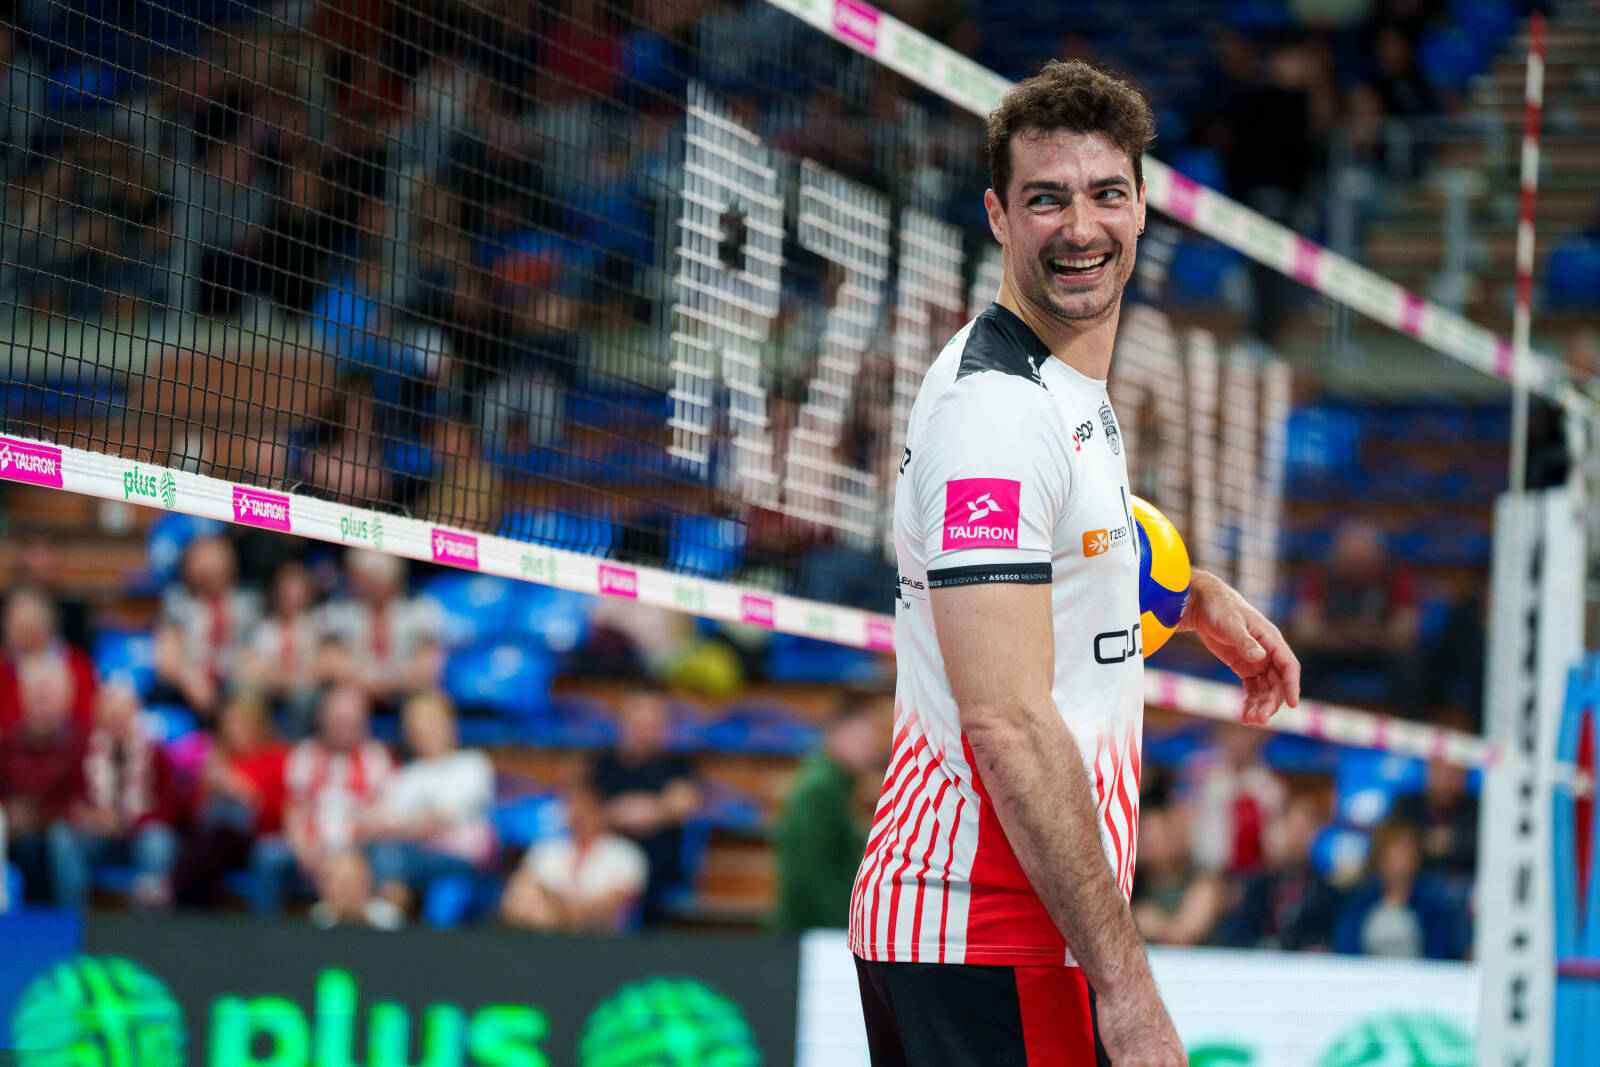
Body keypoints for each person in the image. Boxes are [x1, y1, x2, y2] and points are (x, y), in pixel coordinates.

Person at [850, 60, 1300, 1067]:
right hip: (982, 931)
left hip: (1011, 936)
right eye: (1046, 198)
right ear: (998, 216)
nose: (1081, 226)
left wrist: (1190, 596)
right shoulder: (997, 413)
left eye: (1105, 193)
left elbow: (1068, 542)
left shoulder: (1061, 383)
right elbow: (1006, 723)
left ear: (1141, 206)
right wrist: (1129, 991)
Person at [249, 684, 393, 915]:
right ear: (323, 721)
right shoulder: (305, 754)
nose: (344, 730)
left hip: (358, 846)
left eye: (351, 723)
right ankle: (265, 926)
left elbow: (377, 814)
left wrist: (348, 852)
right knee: (268, 855)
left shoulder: (375, 758)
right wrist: (303, 850)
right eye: (338, 722)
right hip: (311, 846)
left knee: (389, 859)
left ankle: (381, 921)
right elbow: (295, 810)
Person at [49, 685, 181, 909]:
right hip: (95, 837)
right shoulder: (81, 751)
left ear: (134, 715)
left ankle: (147, 920)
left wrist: (128, 821)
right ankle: (73, 916)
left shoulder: (156, 754)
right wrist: (90, 818)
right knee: (62, 837)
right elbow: (67, 799)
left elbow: (169, 808)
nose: (116, 722)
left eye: (122, 715)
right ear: (99, 719)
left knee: (159, 842)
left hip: (140, 836)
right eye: (110, 717)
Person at [364, 691, 496, 912]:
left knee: (390, 857)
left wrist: (402, 826)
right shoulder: (405, 777)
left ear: (450, 725)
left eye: (430, 723)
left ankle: (384, 915)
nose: (423, 731)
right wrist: (408, 825)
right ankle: (384, 916)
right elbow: (377, 825)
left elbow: (437, 820)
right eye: (416, 728)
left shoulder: (471, 765)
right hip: (410, 858)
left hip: (461, 860)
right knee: (378, 855)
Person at [772, 689, 890, 933]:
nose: (872, 745)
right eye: (863, 735)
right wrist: (843, 927)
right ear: (837, 733)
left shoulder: (837, 786)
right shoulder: (820, 790)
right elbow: (808, 874)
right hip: (811, 931)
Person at [591, 683, 699, 920]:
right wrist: (617, 813)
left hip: (657, 872)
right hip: (603, 866)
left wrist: (652, 811)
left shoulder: (677, 767)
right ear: (621, 722)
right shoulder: (600, 767)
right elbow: (582, 808)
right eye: (637, 720)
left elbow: (683, 803)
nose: (643, 729)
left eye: (652, 722)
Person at [173, 693, 289, 908]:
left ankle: (182, 899)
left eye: (241, 724)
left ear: (258, 727)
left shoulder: (276, 759)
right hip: (212, 836)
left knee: (220, 837)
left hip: (253, 837)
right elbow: (191, 815)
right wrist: (206, 787)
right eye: (229, 725)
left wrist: (240, 790)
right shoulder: (217, 759)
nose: (233, 731)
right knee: (208, 839)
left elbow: (278, 815)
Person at [1290, 520, 1420, 712]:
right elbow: (1305, 630)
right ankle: (1302, 718)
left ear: (1377, 558)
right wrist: (1343, 636)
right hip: (1332, 647)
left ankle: (1408, 720)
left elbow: (1404, 632)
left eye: (1361, 560)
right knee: (1298, 661)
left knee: (1409, 663)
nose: (1355, 567)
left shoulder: (1396, 581)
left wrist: (1370, 636)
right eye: (1349, 560)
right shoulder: (1321, 579)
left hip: (1380, 650)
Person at [500, 771, 647, 934]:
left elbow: (615, 904)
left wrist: (560, 908)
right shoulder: (547, 847)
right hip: (544, 934)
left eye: (585, 804)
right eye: (573, 803)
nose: (578, 811)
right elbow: (521, 889)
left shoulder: (626, 854)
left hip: (601, 939)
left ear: (600, 809)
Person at [0, 661, 89, 903]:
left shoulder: (82, 743)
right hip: (17, 835)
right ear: (23, 699)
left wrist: (37, 814)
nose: (43, 705)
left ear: (66, 700)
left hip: (66, 832)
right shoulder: (8, 743)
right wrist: (10, 813)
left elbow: (81, 799)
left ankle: (70, 919)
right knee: (23, 845)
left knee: (61, 840)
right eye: (37, 696)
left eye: (49, 697)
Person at [318, 550, 443, 713]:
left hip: (404, 690)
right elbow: (330, 663)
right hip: (354, 689)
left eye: (379, 576)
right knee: (342, 707)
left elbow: (427, 666)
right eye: (365, 577)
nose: (372, 584)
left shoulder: (419, 609)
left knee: (427, 708)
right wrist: (368, 685)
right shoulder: (338, 609)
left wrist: (391, 684)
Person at [152, 536, 261, 722]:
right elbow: (166, 660)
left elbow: (254, 654)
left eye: (215, 564)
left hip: (233, 683)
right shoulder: (177, 602)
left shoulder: (248, 603)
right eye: (201, 565)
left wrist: (240, 680)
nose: (208, 572)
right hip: (188, 685)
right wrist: (189, 679)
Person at [1217, 792, 1344, 951]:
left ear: (1315, 837)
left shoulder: (1327, 894)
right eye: (1292, 830)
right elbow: (1237, 935)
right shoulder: (1258, 885)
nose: (1295, 840)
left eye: (1303, 832)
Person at [1333, 818, 1466, 960]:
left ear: (1416, 857)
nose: (1399, 861)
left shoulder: (1434, 902)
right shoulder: (1360, 901)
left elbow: (1442, 952)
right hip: (1367, 973)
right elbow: (1345, 949)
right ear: (1379, 858)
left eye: (1405, 852)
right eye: (1393, 853)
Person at [1185, 723, 1288, 876]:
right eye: (1233, 732)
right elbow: (1190, 823)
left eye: (1245, 733)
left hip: (1255, 872)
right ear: (1222, 736)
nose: (1239, 740)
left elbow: (1275, 837)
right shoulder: (1204, 775)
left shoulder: (1271, 785)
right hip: (1209, 869)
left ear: (1256, 737)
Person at [237, 561, 325, 736]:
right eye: (284, 590)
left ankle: (297, 743)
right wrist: (274, 679)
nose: (289, 595)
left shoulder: (319, 626)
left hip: (304, 691)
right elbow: (249, 667)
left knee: (303, 698)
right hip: (267, 687)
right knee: (244, 693)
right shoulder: (260, 627)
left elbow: (322, 667)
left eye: (295, 590)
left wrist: (291, 679)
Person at [1129, 796, 1224, 948]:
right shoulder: (1129, 887)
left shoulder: (1204, 883)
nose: (1152, 841)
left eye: (1162, 832)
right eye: (1145, 833)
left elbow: (1184, 936)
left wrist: (1156, 926)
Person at [0, 587, 97, 732]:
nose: (10, 632)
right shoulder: (4, 666)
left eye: (21, 626)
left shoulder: (75, 665)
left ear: (42, 628)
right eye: (10, 624)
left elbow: (89, 716)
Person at [308, 850, 404, 931]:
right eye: (342, 886)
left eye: (354, 884)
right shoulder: (316, 921)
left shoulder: (388, 921)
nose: (349, 892)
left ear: (368, 885)